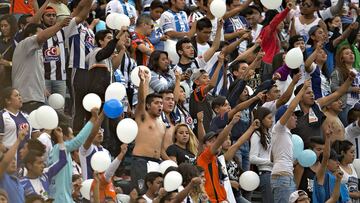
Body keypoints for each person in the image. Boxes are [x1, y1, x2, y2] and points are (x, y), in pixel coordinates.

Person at [11, 17, 72, 114]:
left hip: (37, 99)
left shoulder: (37, 51)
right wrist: (60, 25)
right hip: (27, 99)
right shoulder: (24, 44)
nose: (45, 39)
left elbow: (34, 72)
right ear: (30, 35)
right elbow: (41, 37)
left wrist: (42, 87)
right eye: (40, 33)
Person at [48, 109, 100, 203]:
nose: (73, 137)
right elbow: (78, 141)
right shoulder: (58, 148)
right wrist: (92, 119)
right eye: (71, 134)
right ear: (63, 136)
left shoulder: (58, 151)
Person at [271, 80, 310, 203]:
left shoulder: (285, 133)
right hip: (282, 177)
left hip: (286, 176)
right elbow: (291, 107)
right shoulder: (279, 128)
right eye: (293, 115)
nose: (296, 117)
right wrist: (303, 89)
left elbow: (272, 158)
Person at [131, 69, 166, 195]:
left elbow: (163, 148)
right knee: (141, 194)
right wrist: (143, 82)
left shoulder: (162, 124)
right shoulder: (142, 116)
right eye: (156, 103)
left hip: (157, 163)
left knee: (157, 196)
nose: (160, 106)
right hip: (141, 161)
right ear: (148, 106)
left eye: (161, 103)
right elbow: (141, 100)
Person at [196, 112, 241, 202]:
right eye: (211, 141)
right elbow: (219, 140)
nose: (215, 143)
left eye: (215, 141)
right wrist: (231, 123)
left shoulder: (217, 160)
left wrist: (225, 198)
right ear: (204, 146)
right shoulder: (204, 157)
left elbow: (219, 184)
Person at [20, 128, 67, 199]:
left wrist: (60, 138)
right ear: (30, 165)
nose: (42, 165)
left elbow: (63, 161)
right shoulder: (20, 183)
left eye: (42, 163)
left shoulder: (45, 175)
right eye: (39, 163)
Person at [249, 107, 273, 203]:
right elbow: (252, 158)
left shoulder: (269, 134)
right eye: (269, 118)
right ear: (262, 119)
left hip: (274, 173)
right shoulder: (256, 135)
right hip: (265, 173)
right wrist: (270, 162)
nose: (271, 121)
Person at [331, 46, 360, 126]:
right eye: (347, 54)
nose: (351, 55)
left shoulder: (358, 70)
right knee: (348, 128)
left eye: (351, 53)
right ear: (342, 58)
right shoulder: (338, 71)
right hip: (346, 105)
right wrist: (351, 89)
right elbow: (333, 88)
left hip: (358, 104)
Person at [0, 124, 28, 203]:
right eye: (10, 160)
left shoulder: (18, 181)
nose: (13, 162)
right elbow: (5, 162)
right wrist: (19, 140)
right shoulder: (2, 177)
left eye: (14, 159)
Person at [0, 15, 17, 92]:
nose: (3, 28)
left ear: (12, 26)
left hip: (13, 76)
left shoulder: (17, 41)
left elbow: (22, 63)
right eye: (1, 26)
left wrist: (8, 63)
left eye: (5, 26)